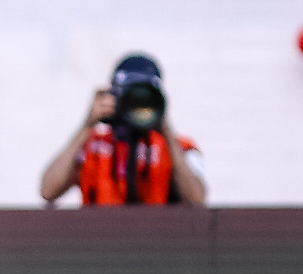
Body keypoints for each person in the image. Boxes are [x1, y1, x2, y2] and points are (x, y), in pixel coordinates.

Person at [39, 54, 205, 206]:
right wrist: (87, 125)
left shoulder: (179, 147)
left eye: (144, 99)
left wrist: (166, 132)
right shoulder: (93, 144)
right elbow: (48, 191)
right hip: (99, 234)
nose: (136, 104)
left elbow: (197, 200)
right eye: (129, 96)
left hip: (155, 235)